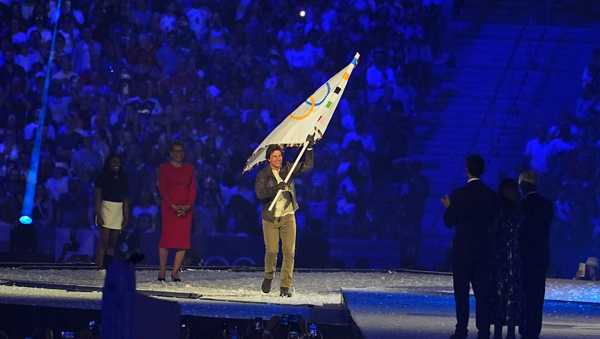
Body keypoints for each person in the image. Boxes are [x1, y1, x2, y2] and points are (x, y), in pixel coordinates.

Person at [441, 154, 498, 339]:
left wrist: (449, 207)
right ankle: (483, 330)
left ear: (467, 169)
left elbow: (450, 221)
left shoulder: (459, 194)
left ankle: (461, 329)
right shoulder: (491, 195)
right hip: (483, 250)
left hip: (463, 250)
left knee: (462, 292)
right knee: (483, 293)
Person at [254, 136, 314, 297]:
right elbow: (260, 194)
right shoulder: (263, 175)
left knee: (289, 252)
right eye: (274, 156)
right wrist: (275, 188)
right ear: (268, 159)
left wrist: (308, 148)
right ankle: (268, 275)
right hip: (270, 218)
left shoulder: (288, 168)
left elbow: (307, 166)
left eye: (279, 155)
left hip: (288, 216)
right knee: (272, 251)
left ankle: (285, 286)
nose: (278, 159)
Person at [518, 171, 553, 339]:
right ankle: (533, 329)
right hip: (540, 257)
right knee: (537, 296)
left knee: (523, 293)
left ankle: (524, 327)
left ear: (523, 185)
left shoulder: (521, 205)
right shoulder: (547, 204)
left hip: (523, 257)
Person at [157, 141, 197, 282]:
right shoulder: (164, 168)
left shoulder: (189, 169)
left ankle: (175, 272)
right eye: (175, 151)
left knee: (182, 241)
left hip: (185, 209)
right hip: (169, 208)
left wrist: (188, 206)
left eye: (181, 151)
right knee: (166, 240)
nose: (178, 154)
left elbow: (192, 189)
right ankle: (162, 271)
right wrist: (172, 205)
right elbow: (162, 188)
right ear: (170, 153)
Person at [492, 179, 522, 339]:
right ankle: (504, 329)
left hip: (508, 257)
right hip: (505, 257)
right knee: (504, 294)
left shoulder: (511, 210)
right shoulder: (507, 210)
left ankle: (506, 329)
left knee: (506, 294)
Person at [95, 154, 130, 269]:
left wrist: (126, 216)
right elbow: (98, 197)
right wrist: (98, 214)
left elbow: (126, 199)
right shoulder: (102, 177)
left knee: (113, 242)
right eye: (113, 161)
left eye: (118, 162)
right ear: (108, 163)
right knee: (104, 241)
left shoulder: (124, 178)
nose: (116, 164)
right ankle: (99, 265)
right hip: (106, 207)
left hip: (118, 209)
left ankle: (108, 265)